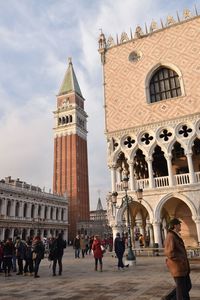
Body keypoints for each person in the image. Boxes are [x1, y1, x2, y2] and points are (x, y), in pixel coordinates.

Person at [164, 218, 192, 300]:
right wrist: (181, 260)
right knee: (182, 292)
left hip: (182, 268)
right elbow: (169, 253)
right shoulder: (170, 236)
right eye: (179, 224)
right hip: (178, 267)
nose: (180, 225)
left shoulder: (175, 235)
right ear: (175, 225)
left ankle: (169, 298)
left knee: (187, 286)